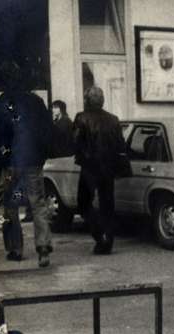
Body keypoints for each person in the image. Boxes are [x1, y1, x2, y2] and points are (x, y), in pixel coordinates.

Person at [0, 60, 53, 266]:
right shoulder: (35, 102)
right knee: (38, 204)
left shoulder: (0, 105)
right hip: (32, 161)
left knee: (11, 206)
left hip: (10, 164)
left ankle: (15, 249)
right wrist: (40, 156)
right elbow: (46, 132)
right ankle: (43, 248)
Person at [73, 85, 127, 255]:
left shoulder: (81, 118)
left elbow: (75, 143)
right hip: (108, 168)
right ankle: (108, 240)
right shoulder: (114, 119)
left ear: (87, 100)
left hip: (89, 167)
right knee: (107, 204)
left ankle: (99, 235)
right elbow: (120, 145)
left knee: (83, 203)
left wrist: (83, 156)